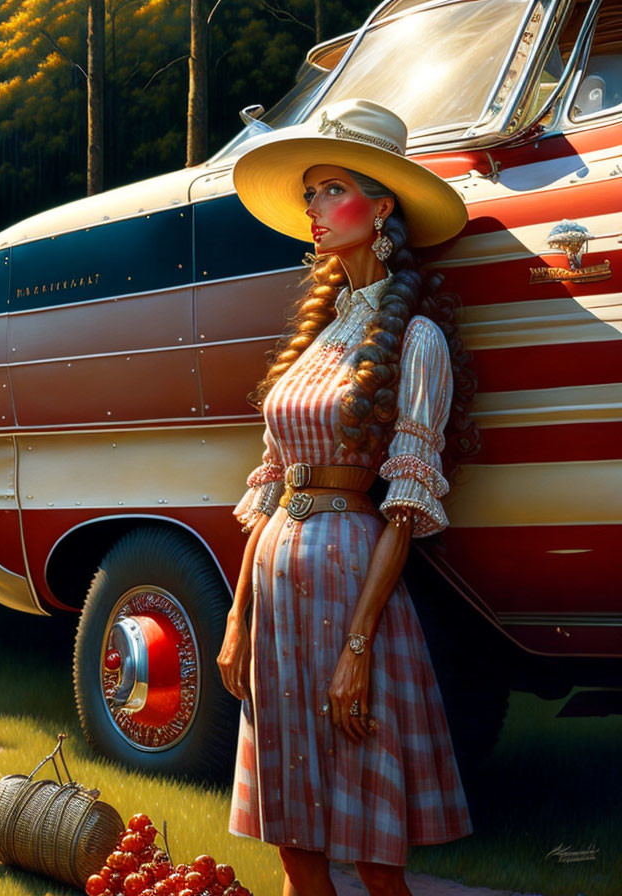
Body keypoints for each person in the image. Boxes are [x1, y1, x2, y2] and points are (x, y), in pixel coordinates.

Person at [217, 99, 476, 896]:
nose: (316, 210)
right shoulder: (319, 336)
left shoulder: (414, 340)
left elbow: (405, 507)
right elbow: (267, 487)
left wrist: (357, 651)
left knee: (372, 853)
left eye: (333, 191)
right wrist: (236, 619)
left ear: (383, 205)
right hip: (276, 599)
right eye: (311, 196)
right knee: (294, 849)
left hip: (351, 595)